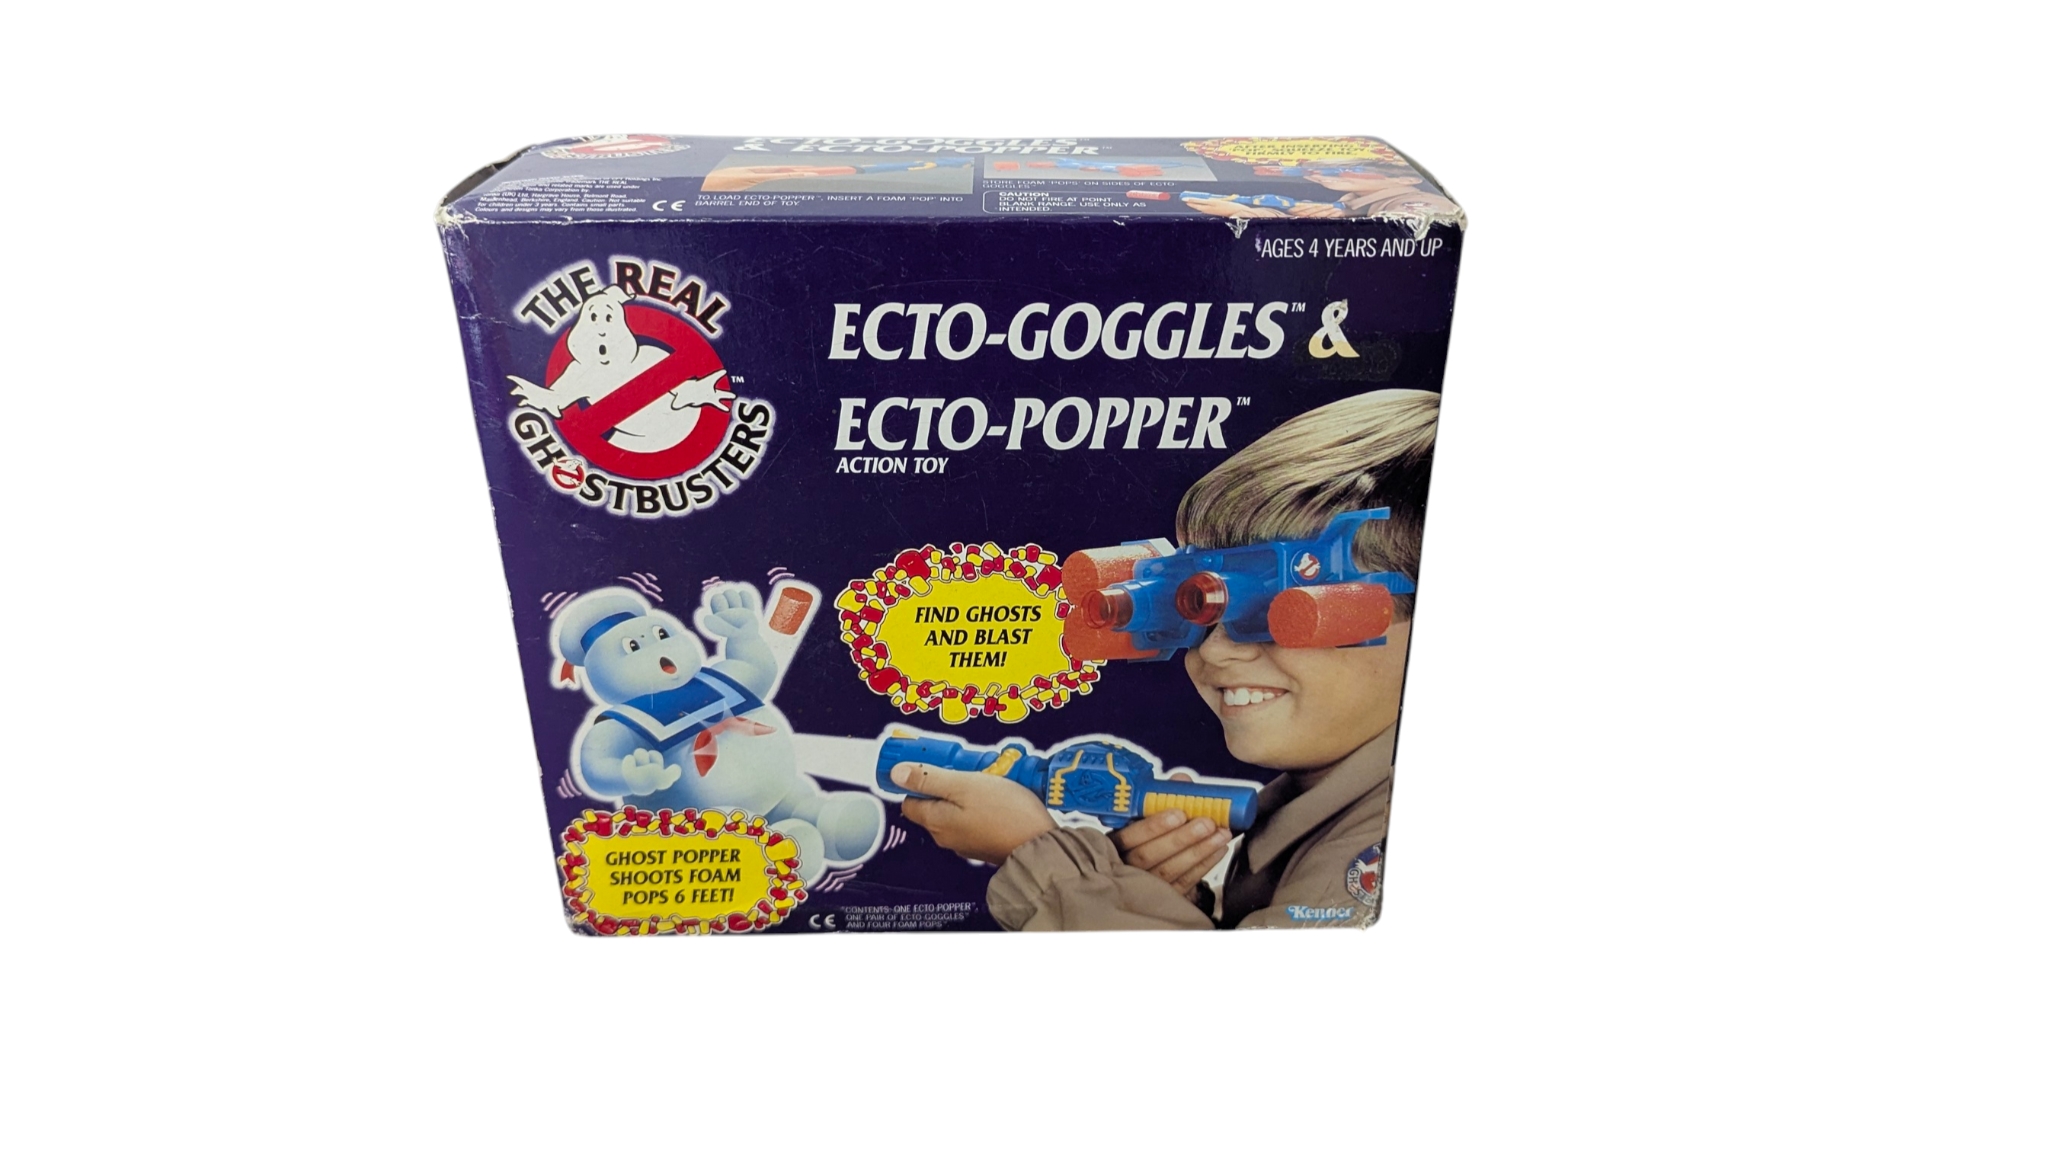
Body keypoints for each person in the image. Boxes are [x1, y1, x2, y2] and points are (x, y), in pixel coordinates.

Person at [891, 389, 1438, 928]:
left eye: (1279, 611)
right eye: (1198, 610)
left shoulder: (1393, 835)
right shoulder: (1322, 804)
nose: (1216, 648)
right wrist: (1161, 903)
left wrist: (1045, 865)